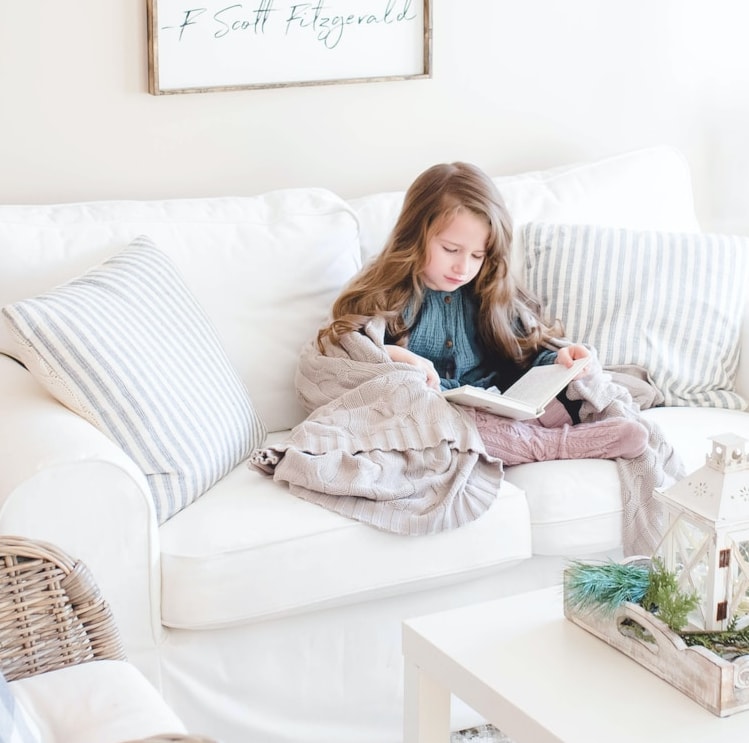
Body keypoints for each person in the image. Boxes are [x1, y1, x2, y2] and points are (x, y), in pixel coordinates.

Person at [316, 162, 648, 464]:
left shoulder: (487, 290)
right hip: (435, 412)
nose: (463, 267)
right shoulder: (385, 292)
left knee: (559, 400)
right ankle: (552, 446)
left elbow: (521, 354)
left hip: (495, 402)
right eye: (450, 250)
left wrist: (560, 361)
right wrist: (400, 357)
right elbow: (350, 359)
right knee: (444, 423)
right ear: (415, 235)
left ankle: (548, 433)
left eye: (478, 255)